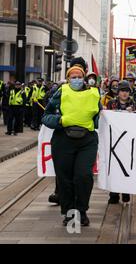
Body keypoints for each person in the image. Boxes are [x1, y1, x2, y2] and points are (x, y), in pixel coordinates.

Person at [42, 58, 102, 226]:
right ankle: (69, 213)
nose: (76, 79)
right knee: (65, 179)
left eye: (79, 76)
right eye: (72, 77)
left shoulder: (94, 93)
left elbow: (100, 118)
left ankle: (81, 211)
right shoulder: (60, 92)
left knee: (83, 176)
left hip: (87, 141)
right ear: (68, 79)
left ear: (84, 78)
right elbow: (46, 116)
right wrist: (61, 120)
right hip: (63, 140)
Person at [106, 81, 136, 204]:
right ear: (118, 92)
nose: (124, 93)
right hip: (114, 141)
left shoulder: (134, 105)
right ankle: (113, 194)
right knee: (114, 168)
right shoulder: (111, 104)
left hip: (128, 141)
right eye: (122, 90)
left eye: (126, 91)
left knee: (126, 168)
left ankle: (126, 192)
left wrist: (133, 113)